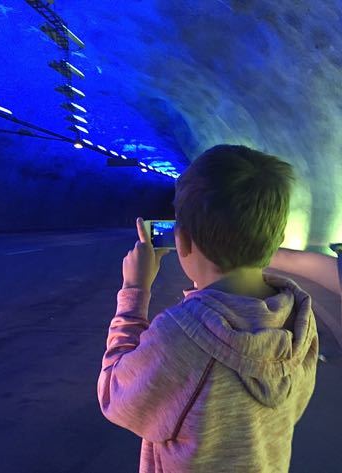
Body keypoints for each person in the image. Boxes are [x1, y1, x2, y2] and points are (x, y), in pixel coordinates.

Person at [97, 145, 319, 473]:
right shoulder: (299, 322)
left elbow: (116, 397)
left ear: (182, 241)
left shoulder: (182, 336)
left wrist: (135, 290)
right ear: (277, 238)